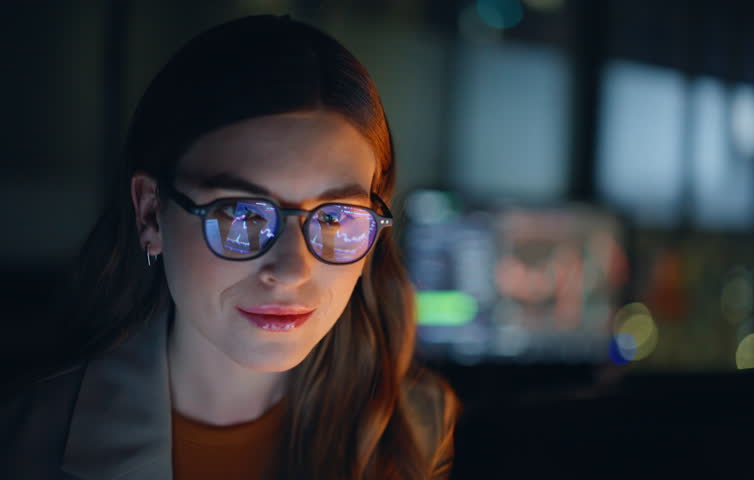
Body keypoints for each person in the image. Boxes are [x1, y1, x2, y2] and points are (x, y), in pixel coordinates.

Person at [1, 14, 458, 479]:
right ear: (151, 214)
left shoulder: (415, 427)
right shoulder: (26, 437)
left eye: (336, 218)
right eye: (242, 214)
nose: (291, 269)